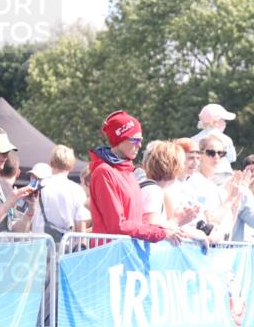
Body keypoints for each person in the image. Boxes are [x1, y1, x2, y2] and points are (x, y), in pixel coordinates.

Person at [87, 111, 184, 243]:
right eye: (134, 140)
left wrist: (166, 229)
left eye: (141, 140)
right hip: (110, 254)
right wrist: (161, 233)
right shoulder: (104, 172)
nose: (139, 145)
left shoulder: (129, 171)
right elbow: (117, 225)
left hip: (128, 252)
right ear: (119, 139)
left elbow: (140, 221)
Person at [32, 146, 91, 242]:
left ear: (51, 163)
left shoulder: (39, 186)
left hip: (38, 246)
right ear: (72, 167)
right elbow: (81, 228)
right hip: (65, 247)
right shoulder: (77, 190)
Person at [191, 103, 237, 185]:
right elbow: (232, 158)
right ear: (216, 122)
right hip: (223, 176)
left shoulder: (193, 139)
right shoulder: (226, 139)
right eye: (223, 120)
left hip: (199, 176)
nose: (225, 123)